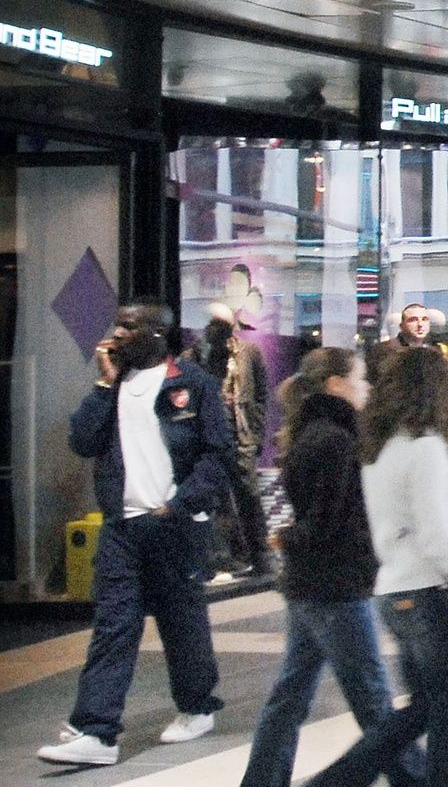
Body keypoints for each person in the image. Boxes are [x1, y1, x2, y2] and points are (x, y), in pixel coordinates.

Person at [299, 347, 448, 787]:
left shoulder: (382, 448)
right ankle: (336, 781)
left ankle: (337, 780)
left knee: (424, 709)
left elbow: (406, 520)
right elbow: (436, 538)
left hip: (395, 594)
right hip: (431, 596)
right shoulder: (425, 448)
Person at [40, 301, 232, 768]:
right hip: (121, 528)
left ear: (157, 335)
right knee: (114, 627)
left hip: (175, 525)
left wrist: (181, 505)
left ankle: (198, 706)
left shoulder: (192, 384)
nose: (117, 333)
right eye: (117, 325)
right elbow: (82, 441)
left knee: (181, 623)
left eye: (129, 326)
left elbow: (216, 455)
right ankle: (97, 731)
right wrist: (104, 384)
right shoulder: (115, 386)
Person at [241, 349, 426, 787]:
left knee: (290, 696)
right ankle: (418, 780)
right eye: (361, 379)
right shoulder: (336, 441)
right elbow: (331, 521)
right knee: (373, 698)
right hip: (335, 587)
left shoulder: (310, 433)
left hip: (309, 585)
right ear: (336, 384)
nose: (368, 389)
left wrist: (291, 538)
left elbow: (317, 517)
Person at [190, 300, 272, 582]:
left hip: (241, 435)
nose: (223, 332)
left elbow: (261, 395)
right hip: (209, 440)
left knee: (248, 497)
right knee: (216, 500)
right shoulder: (194, 358)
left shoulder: (249, 353)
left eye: (226, 326)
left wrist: (256, 434)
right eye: (216, 326)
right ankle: (226, 557)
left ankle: (260, 558)